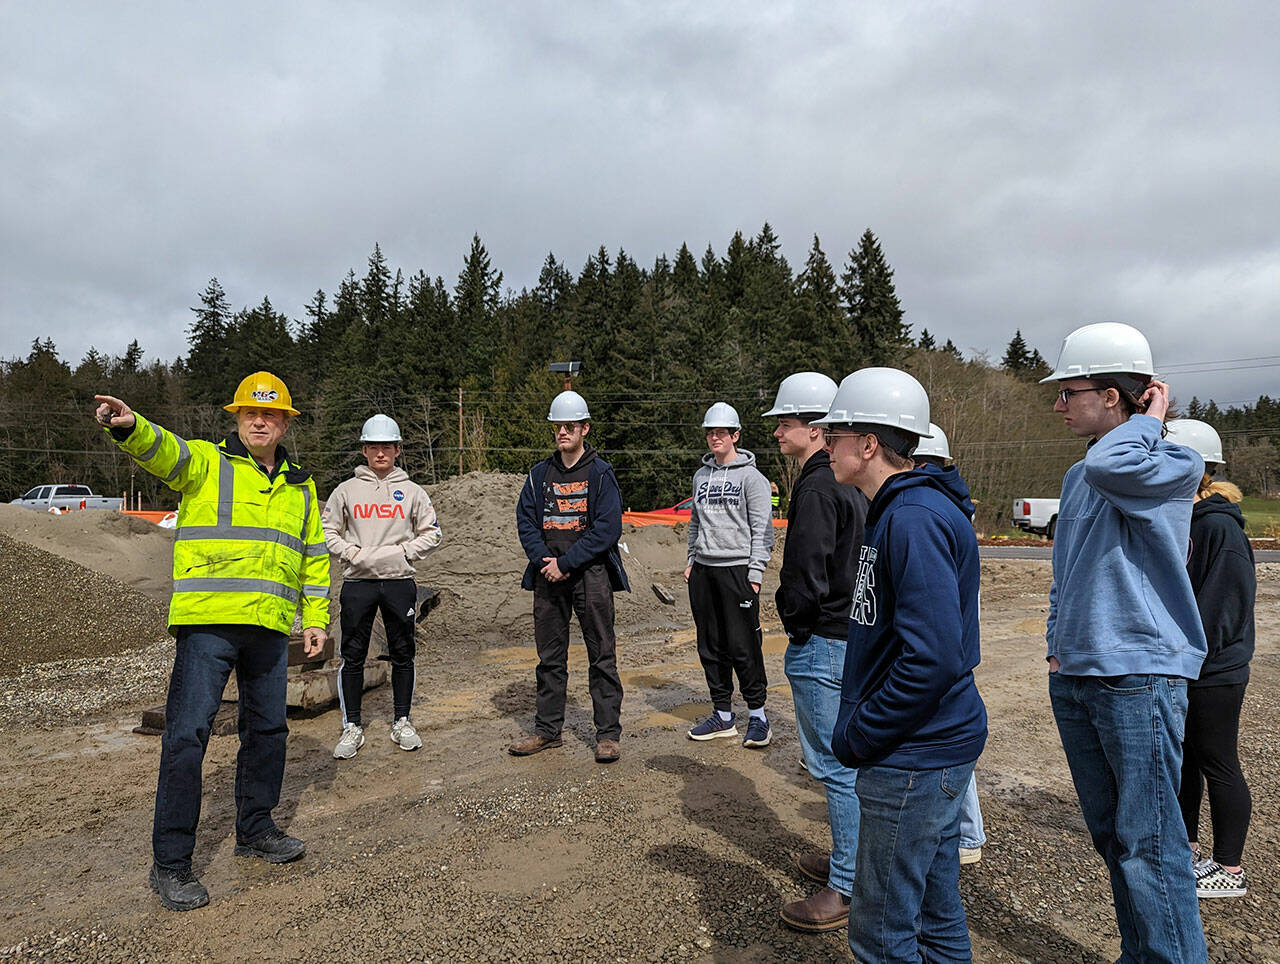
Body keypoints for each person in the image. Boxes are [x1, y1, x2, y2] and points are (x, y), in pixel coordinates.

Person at [94, 372, 330, 913]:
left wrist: (314, 618)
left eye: (270, 414)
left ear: (286, 422)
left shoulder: (301, 484)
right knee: (186, 738)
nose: (260, 420)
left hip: (269, 628)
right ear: (238, 418)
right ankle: (171, 863)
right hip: (208, 625)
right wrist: (131, 428)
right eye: (251, 412)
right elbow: (165, 452)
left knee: (268, 731)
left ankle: (256, 828)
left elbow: (314, 559)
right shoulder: (207, 461)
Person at [1041, 323, 1209, 961]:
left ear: (1113, 396)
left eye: (1069, 392)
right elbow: (1065, 573)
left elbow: (1113, 459)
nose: (1058, 406)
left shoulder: (1171, 462)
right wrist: (1058, 647)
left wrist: (1153, 414)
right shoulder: (1078, 475)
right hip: (1079, 674)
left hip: (1140, 674)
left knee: (1153, 845)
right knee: (1114, 838)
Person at [818, 367, 987, 963]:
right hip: (926, 751)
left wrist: (864, 733)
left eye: (834, 432)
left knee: (881, 932)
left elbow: (933, 658)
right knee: (936, 917)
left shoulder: (912, 519)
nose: (824, 441)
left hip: (913, 755)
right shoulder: (898, 510)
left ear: (868, 444)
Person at [765, 373, 866, 933]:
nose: (778, 431)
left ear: (816, 428)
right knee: (849, 761)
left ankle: (848, 884)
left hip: (823, 641)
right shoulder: (852, 480)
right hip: (850, 637)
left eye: (786, 421)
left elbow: (806, 571)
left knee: (835, 767)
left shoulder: (817, 485)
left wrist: (796, 625)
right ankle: (851, 859)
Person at [1165, 418, 1255, 900]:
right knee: (1188, 762)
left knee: (1218, 761)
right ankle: (1190, 848)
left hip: (1214, 668)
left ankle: (1230, 869)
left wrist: (1189, 659)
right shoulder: (1189, 520)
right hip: (1193, 664)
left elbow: (1223, 609)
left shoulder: (1218, 527)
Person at [512, 389, 629, 763]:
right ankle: (548, 731)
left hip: (589, 575)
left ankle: (607, 734)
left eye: (571, 426)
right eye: (558, 426)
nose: (563, 432)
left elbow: (608, 529)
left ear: (585, 429)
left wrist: (567, 562)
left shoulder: (601, 474)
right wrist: (545, 559)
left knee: (601, 655)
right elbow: (526, 521)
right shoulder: (538, 475)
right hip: (547, 573)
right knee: (549, 658)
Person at [323, 413, 442, 759]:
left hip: (398, 583)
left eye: (386, 446)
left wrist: (404, 552)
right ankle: (352, 726)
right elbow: (328, 531)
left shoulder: (413, 492)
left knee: (403, 653)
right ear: (364, 449)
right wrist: (350, 553)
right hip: (358, 583)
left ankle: (402, 721)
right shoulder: (345, 491)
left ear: (398, 449)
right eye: (373, 446)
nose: (380, 453)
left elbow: (433, 532)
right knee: (353, 654)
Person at [914, 423, 986, 867]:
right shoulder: (955, 504)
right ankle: (967, 833)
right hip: (959, 645)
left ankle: (967, 834)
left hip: (948, 650)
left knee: (944, 740)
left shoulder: (929, 513)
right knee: (952, 740)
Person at [684, 402, 775, 748]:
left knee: (743, 645)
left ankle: (758, 716)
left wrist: (754, 574)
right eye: (710, 432)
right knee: (711, 645)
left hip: (737, 571)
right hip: (704, 572)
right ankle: (723, 714)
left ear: (735, 435)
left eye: (721, 432)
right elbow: (695, 523)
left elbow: (763, 531)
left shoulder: (752, 478)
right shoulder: (701, 476)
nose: (714, 437)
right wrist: (692, 560)